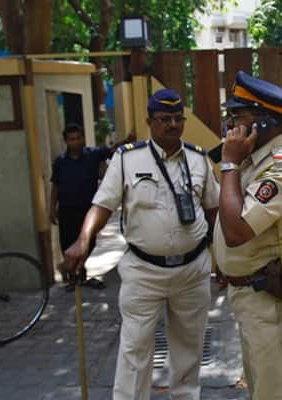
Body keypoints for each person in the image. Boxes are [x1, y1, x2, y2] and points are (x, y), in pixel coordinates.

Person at [62, 88, 219, 400]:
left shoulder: (199, 159)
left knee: (189, 348)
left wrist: (225, 260)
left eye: (178, 119)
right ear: (150, 122)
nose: (172, 125)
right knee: (136, 348)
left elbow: (213, 212)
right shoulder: (127, 159)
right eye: (164, 119)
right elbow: (101, 205)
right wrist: (83, 240)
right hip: (144, 272)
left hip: (193, 270)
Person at [213, 70, 282, 400]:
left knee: (274, 392)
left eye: (237, 117)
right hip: (249, 294)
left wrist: (228, 164)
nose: (230, 127)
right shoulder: (254, 160)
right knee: (260, 388)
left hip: (269, 297)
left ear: (265, 123)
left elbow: (237, 231)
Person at [50, 123, 131, 290]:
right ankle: (75, 278)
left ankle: (76, 271)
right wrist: (52, 208)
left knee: (90, 241)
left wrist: (128, 140)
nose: (76, 142)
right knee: (67, 243)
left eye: (78, 138)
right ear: (66, 141)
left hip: (88, 209)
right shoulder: (60, 162)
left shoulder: (93, 155)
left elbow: (112, 149)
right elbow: (55, 186)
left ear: (83, 138)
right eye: (72, 139)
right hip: (66, 209)